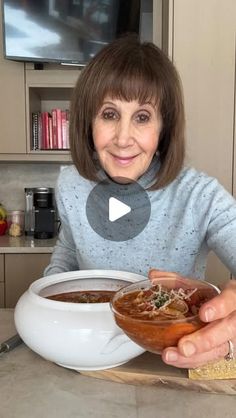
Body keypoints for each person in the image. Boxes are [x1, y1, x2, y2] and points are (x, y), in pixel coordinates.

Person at [44, 34, 236, 369]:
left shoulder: (200, 196)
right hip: (89, 357)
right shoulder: (71, 184)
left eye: (143, 117)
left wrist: (228, 332)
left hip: (171, 363)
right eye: (109, 114)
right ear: (88, 123)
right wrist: (48, 301)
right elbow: (69, 250)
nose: (122, 138)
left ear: (164, 127)